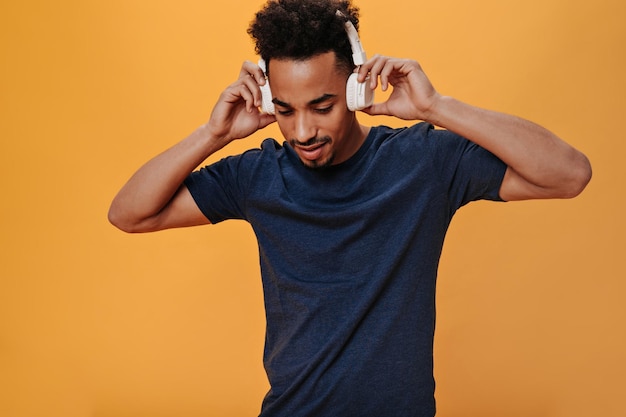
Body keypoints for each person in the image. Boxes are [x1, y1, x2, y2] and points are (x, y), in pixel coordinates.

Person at [108, 0, 592, 415]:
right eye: (285, 110)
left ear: (357, 88)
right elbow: (129, 213)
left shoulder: (423, 161)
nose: (302, 132)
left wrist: (437, 107)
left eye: (322, 107)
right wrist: (212, 135)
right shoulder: (256, 175)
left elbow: (568, 173)